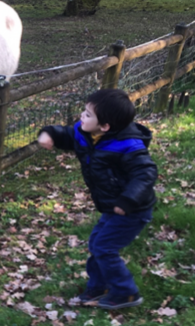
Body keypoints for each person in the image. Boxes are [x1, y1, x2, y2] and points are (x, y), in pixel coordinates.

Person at [38, 89, 158, 310]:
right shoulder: (86, 133)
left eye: (88, 114)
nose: (82, 116)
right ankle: (99, 286)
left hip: (132, 209)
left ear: (105, 127)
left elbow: (145, 174)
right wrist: (49, 134)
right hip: (112, 206)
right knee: (96, 243)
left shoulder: (128, 146)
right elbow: (67, 135)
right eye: (84, 111)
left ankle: (126, 293)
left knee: (103, 247)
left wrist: (127, 200)